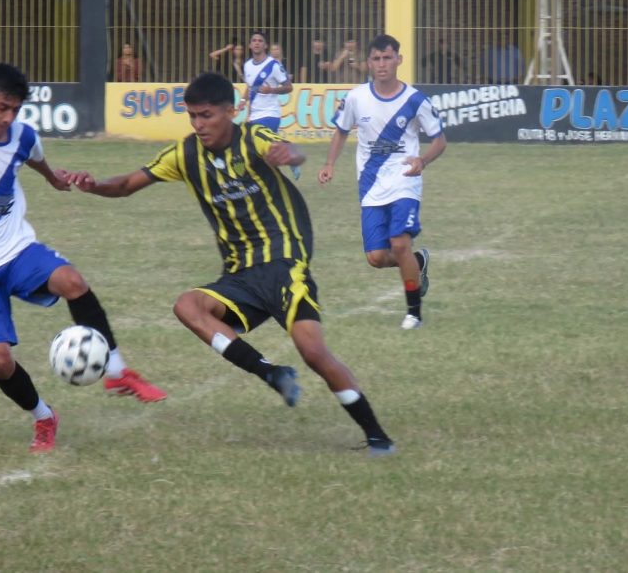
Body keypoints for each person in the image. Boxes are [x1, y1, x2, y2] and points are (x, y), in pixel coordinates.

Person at [64, 71, 397, 456]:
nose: (198, 124)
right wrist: (94, 185)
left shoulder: (254, 138)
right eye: (192, 116)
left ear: (230, 110)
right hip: (239, 276)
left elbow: (290, 148)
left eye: (206, 115)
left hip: (284, 265)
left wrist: (290, 154)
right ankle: (270, 373)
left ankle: (377, 437)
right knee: (187, 305)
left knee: (314, 353)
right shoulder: (185, 154)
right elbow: (126, 184)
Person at [0, 63, 166, 453]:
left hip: (15, 248)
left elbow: (37, 159)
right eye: (1, 107)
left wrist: (56, 179)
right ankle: (44, 417)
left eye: (15, 109)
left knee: (72, 282)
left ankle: (117, 371)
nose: (7, 117)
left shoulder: (22, 135)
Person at [318, 34, 447, 331]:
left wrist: (422, 161)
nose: (382, 64)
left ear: (399, 59)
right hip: (370, 185)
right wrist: (328, 163)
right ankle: (417, 261)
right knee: (376, 257)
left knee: (399, 243)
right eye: (376, 59)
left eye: (387, 57)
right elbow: (340, 131)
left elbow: (440, 140)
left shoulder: (415, 100)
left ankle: (414, 313)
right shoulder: (356, 97)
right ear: (368, 63)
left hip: (405, 179)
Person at [238, 30, 297, 179]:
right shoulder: (247, 66)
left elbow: (289, 87)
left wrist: (272, 89)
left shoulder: (273, 65)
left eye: (260, 41)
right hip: (255, 114)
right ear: (250, 45)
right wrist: (244, 101)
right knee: (260, 151)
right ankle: (289, 154)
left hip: (270, 113)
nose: (257, 43)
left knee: (263, 152)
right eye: (254, 40)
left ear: (265, 45)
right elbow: (250, 87)